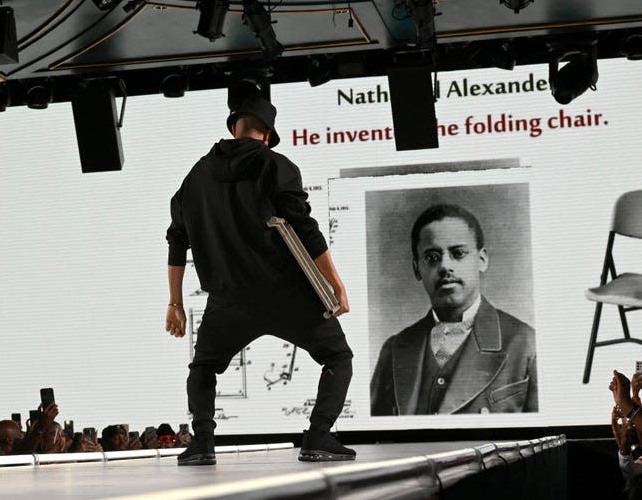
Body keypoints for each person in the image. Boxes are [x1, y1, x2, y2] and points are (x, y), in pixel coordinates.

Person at [166, 81, 354, 465]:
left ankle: (202, 443)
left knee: (203, 367)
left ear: (233, 125)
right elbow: (305, 229)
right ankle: (317, 437)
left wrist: (174, 303)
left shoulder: (195, 177)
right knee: (338, 358)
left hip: (227, 299)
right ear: (267, 134)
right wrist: (335, 285)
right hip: (286, 294)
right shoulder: (277, 165)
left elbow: (176, 241)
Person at [370, 204, 538, 415]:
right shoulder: (393, 349)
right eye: (432, 257)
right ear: (417, 269)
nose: (444, 266)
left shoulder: (526, 344)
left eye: (458, 253)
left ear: (482, 260)